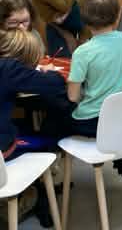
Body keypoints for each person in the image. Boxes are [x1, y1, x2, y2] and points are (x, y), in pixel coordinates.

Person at [62, 0, 122, 188]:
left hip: (92, 122)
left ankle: (47, 177)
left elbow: (73, 96)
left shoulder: (83, 52)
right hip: (120, 117)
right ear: (116, 15)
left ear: (85, 20)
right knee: (110, 125)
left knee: (53, 119)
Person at [0, 30, 66, 227]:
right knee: (47, 138)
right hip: (3, 152)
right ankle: (37, 196)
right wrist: (49, 71)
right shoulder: (10, 69)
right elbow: (55, 84)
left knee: (21, 126)